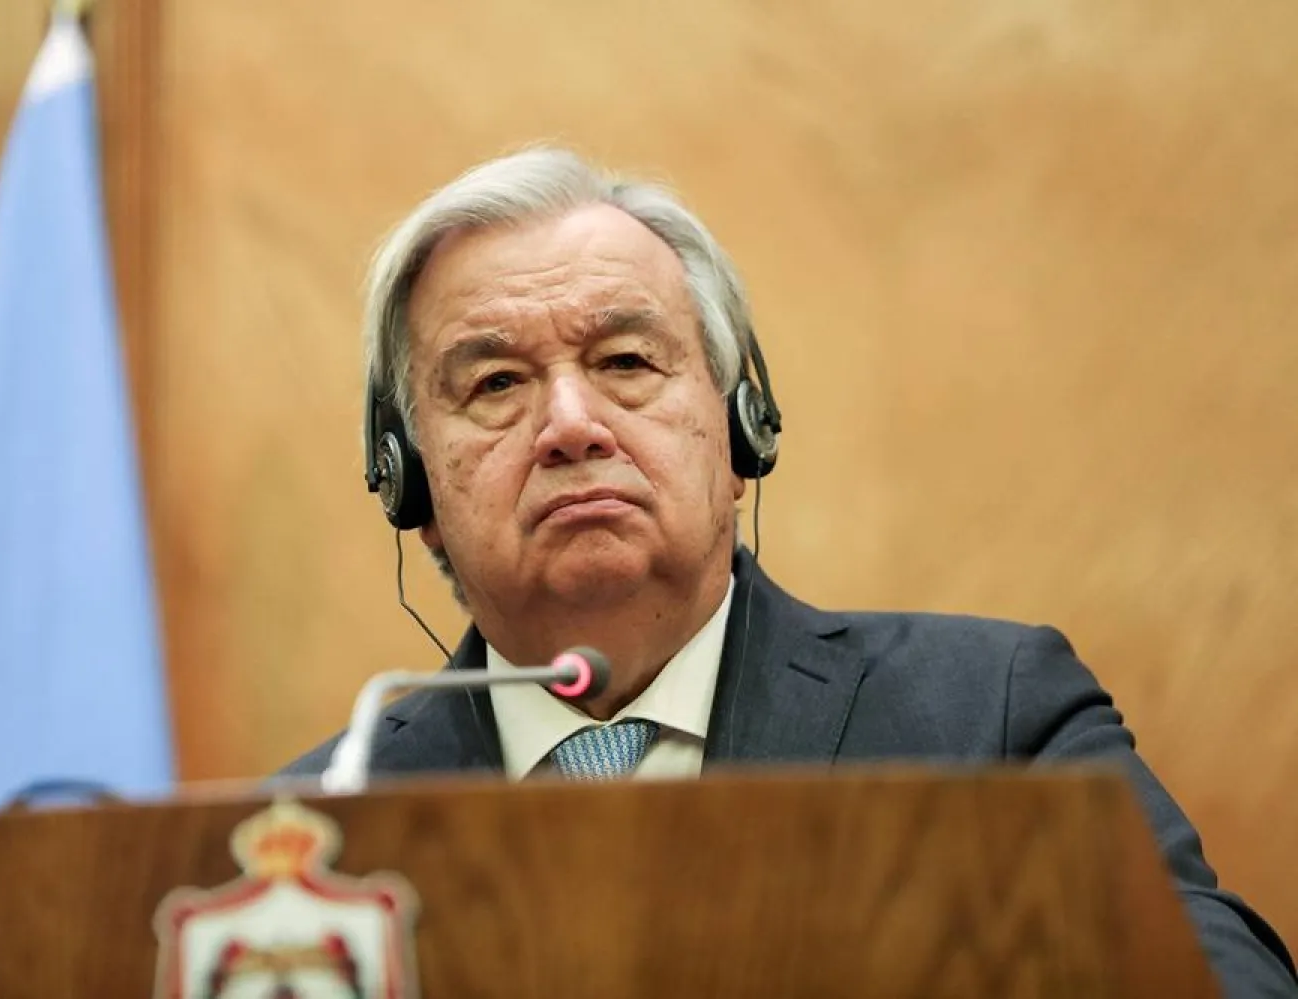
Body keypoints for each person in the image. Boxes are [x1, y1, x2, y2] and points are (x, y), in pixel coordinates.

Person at [283, 146, 1296, 994]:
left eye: (627, 364)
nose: (571, 425)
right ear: (409, 488)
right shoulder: (308, 832)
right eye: (497, 383)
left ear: (739, 433)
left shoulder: (990, 720)